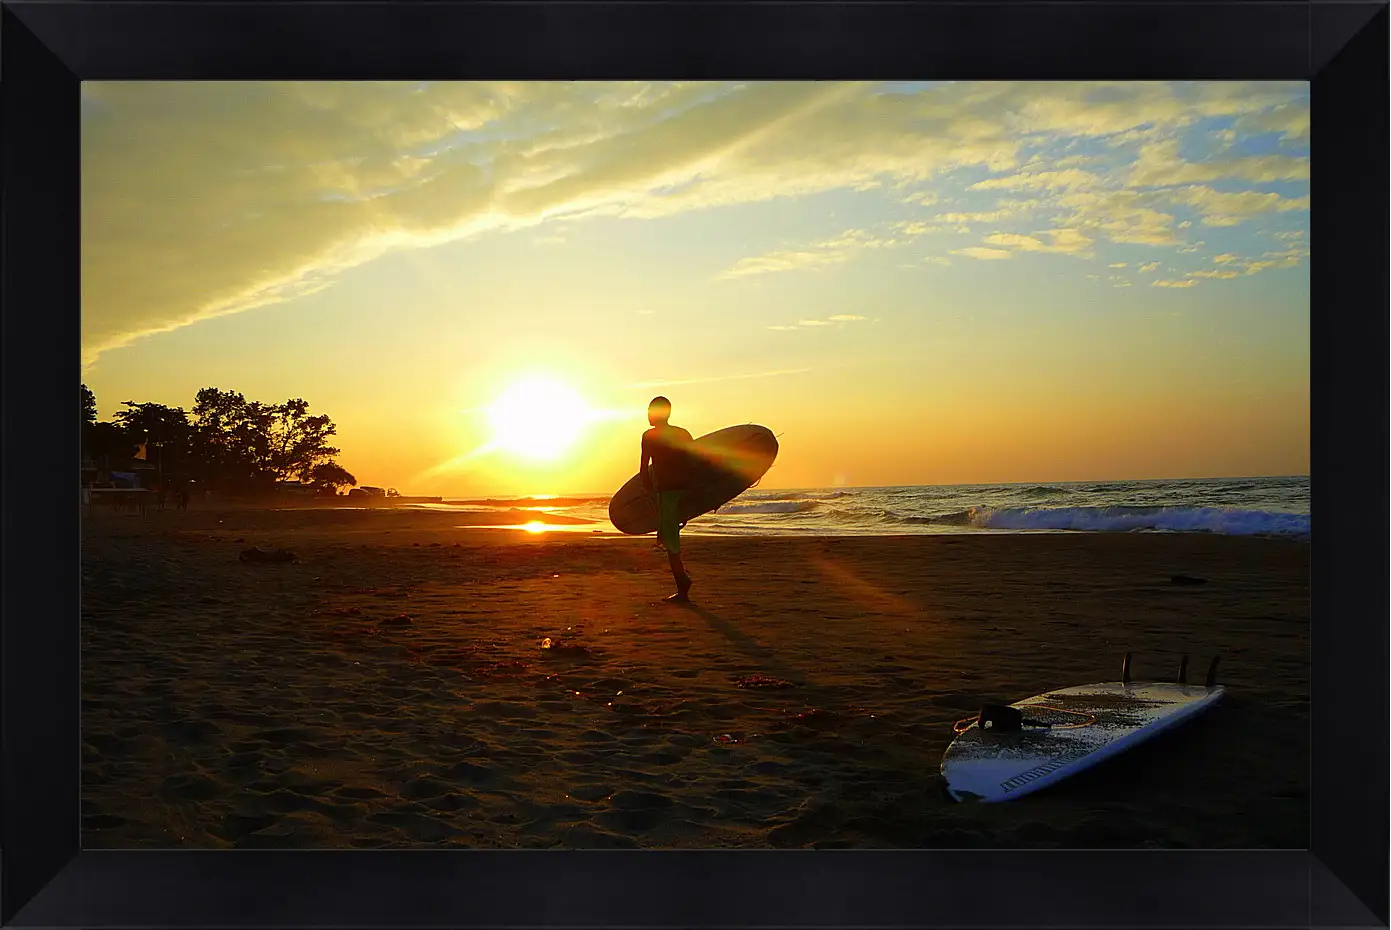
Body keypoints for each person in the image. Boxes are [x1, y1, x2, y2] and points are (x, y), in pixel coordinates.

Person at [640, 396, 695, 602]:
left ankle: (682, 584)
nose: (647, 415)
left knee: (670, 539)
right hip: (686, 489)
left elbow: (644, 467)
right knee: (671, 537)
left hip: (667, 492)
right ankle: (682, 581)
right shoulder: (683, 434)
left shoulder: (649, 436)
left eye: (650, 411)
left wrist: (646, 490)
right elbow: (695, 462)